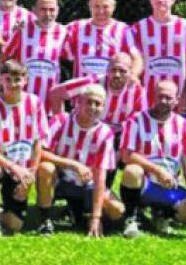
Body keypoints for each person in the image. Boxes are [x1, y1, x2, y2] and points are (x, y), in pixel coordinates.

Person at [118, 79, 186, 236]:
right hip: (145, 183)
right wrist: (157, 170)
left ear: (177, 100)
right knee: (132, 171)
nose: (163, 101)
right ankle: (131, 219)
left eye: (168, 98)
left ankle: (162, 216)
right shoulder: (136, 120)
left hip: (170, 187)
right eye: (160, 96)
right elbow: (126, 155)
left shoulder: (184, 125)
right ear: (153, 96)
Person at [38, 85, 124, 236]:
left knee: (117, 210)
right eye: (89, 102)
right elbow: (40, 152)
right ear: (79, 102)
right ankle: (45, 219)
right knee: (45, 168)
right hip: (61, 179)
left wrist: (96, 217)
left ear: (103, 106)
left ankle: (84, 216)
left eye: (98, 104)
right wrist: (73, 164)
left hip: (88, 185)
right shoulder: (61, 120)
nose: (93, 107)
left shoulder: (106, 133)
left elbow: (101, 176)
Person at [49, 51, 146, 184]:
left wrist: (122, 150)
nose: (117, 75)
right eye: (113, 70)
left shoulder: (137, 90)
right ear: (107, 70)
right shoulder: (92, 81)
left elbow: (138, 123)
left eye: (122, 71)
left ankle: (101, 190)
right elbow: (56, 93)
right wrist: (62, 126)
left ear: (131, 72)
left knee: (107, 166)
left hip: (115, 136)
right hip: (86, 129)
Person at [0, 61, 48, 241]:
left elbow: (38, 141)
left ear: (25, 80)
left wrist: (30, 174)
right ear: (1, 80)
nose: (12, 84)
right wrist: (13, 167)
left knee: (14, 225)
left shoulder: (35, 103)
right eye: (8, 79)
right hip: (3, 165)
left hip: (23, 169)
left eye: (17, 79)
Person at [127, 0, 186, 109]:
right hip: (147, 99)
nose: (161, 0)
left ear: (173, 0)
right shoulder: (138, 28)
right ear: (151, 0)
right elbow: (133, 61)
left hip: (179, 98)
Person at [2, 0, 67, 111]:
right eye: (43, 9)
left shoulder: (63, 32)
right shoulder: (23, 28)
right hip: (22, 98)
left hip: (49, 102)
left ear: (57, 10)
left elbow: (70, 57)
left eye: (52, 9)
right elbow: (5, 55)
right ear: (34, 10)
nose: (48, 14)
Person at [62, 0, 141, 79]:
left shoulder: (123, 30)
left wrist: (133, 76)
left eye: (105, 6)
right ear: (90, 6)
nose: (101, 11)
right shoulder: (75, 27)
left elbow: (137, 59)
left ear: (113, 7)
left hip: (111, 89)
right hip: (82, 90)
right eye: (96, 6)